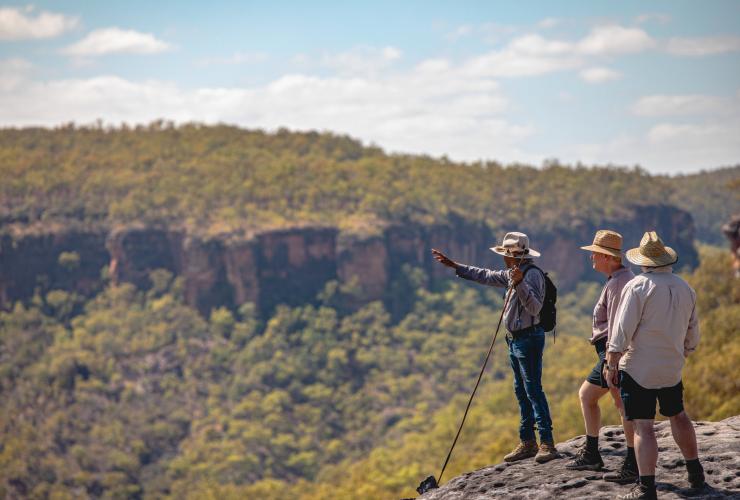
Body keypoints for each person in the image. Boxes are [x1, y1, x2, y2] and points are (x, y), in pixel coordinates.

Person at [432, 231, 559, 464]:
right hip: (515, 339)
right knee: (521, 391)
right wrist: (455, 266)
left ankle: (547, 443)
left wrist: (519, 283)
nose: (503, 258)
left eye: (504, 254)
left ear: (513, 256)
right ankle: (527, 441)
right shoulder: (512, 273)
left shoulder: (531, 276)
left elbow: (534, 308)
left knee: (533, 390)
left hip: (528, 338)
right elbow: (486, 276)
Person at [606, 231, 704, 500]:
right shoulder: (685, 287)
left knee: (643, 426)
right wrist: (685, 351)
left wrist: (612, 360)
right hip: (672, 365)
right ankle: (696, 474)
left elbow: (623, 328)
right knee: (678, 415)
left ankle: (646, 487)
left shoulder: (638, 286)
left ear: (644, 261)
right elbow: (693, 330)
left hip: (639, 366)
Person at [565, 230, 638, 484]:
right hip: (608, 351)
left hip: (613, 352)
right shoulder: (618, 278)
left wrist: (611, 361)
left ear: (609, 257)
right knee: (588, 396)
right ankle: (593, 453)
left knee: (623, 406)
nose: (592, 258)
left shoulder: (619, 283)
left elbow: (619, 325)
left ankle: (632, 463)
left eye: (595, 253)